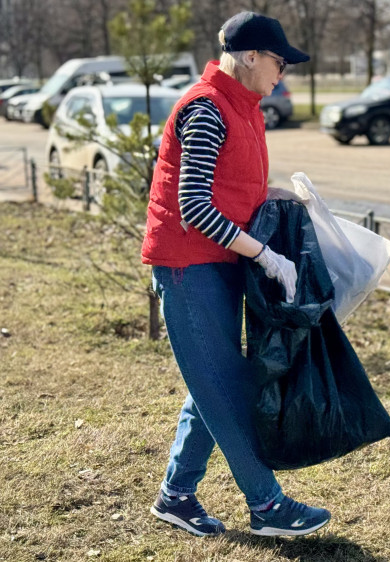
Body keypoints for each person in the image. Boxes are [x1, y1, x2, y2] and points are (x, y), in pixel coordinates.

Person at [141, 11, 331, 538]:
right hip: (187, 267)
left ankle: (176, 495)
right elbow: (195, 207)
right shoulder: (206, 109)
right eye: (279, 61)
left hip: (217, 264)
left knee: (213, 380)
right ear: (250, 55)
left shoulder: (244, 109)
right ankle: (267, 505)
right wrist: (267, 257)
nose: (283, 73)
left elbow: (232, 189)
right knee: (225, 385)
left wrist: (282, 198)